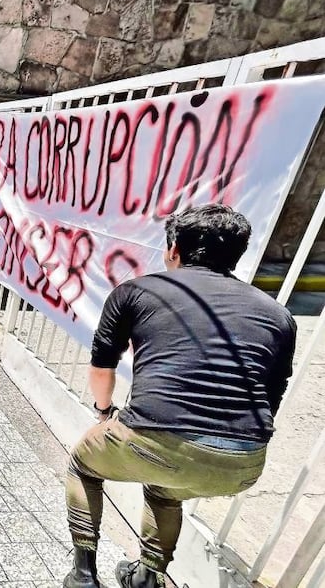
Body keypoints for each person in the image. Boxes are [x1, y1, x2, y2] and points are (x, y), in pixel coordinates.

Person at [62, 204, 297, 588]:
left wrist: (105, 412)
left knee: (83, 465)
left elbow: (102, 368)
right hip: (243, 464)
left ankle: (83, 575)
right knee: (165, 492)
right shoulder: (278, 314)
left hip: (155, 440)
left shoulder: (136, 291)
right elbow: (273, 394)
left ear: (173, 250)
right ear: (236, 256)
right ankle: (147, 577)